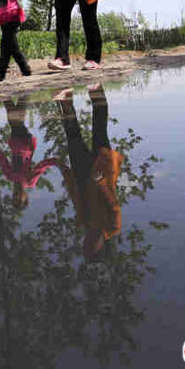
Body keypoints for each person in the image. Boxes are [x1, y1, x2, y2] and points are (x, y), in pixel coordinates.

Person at [52, 83, 124, 259]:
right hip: (102, 171)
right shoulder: (112, 227)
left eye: (85, 246)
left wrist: (64, 170)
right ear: (101, 247)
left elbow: (75, 195)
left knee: (72, 134)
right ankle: (96, 89)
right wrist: (101, 181)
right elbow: (113, 204)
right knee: (99, 129)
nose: (87, 243)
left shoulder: (84, 223)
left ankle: (66, 98)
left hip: (82, 173)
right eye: (91, 247)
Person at [0, 98, 60, 208]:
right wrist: (55, 162)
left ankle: (16, 96)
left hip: (15, 142)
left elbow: (2, 160)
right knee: (16, 122)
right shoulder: (30, 181)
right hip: (26, 143)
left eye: (14, 198)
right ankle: (16, 96)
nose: (16, 196)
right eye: (19, 199)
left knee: (15, 121)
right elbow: (41, 167)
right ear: (25, 197)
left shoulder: (10, 176)